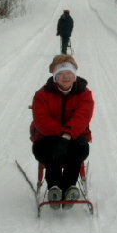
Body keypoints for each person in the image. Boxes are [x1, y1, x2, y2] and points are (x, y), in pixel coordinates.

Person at [29, 54, 94, 209]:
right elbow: (41, 120)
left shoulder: (84, 93)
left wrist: (68, 135)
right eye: (61, 74)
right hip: (47, 137)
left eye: (69, 73)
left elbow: (83, 117)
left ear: (74, 75)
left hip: (75, 136)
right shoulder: (42, 95)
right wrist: (61, 135)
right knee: (52, 151)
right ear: (55, 76)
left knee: (78, 149)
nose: (66, 77)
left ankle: (70, 187)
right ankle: (55, 188)